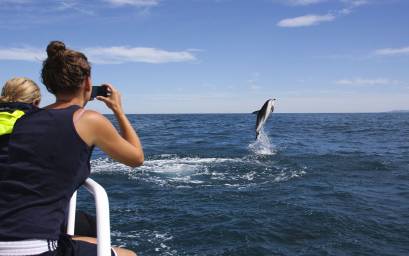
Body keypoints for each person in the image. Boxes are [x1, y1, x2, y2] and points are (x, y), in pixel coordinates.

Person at [0, 41, 144, 256]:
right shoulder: (89, 119)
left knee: (88, 237)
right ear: (87, 82)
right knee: (128, 255)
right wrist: (118, 110)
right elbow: (136, 158)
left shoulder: (24, 120)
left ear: (49, 85)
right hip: (29, 247)